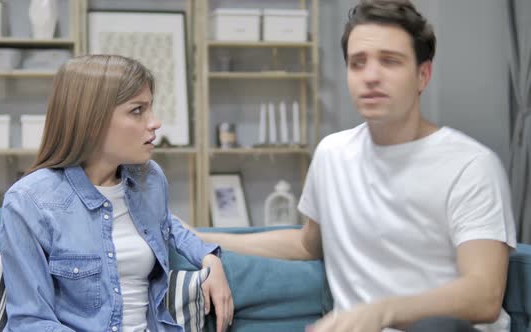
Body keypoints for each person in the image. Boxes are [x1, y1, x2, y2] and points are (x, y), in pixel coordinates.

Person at [195, 1, 516, 331]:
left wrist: (382, 311)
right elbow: (307, 244)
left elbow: (484, 295)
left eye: (390, 61)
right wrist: (198, 236)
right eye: (358, 63)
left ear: (423, 75)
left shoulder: (471, 165)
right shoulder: (333, 154)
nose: (371, 76)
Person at [0, 54, 233, 332]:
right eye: (138, 110)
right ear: (92, 119)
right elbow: (30, 322)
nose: (155, 122)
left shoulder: (150, 179)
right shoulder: (29, 201)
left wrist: (210, 259)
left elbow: (167, 226)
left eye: (151, 108)